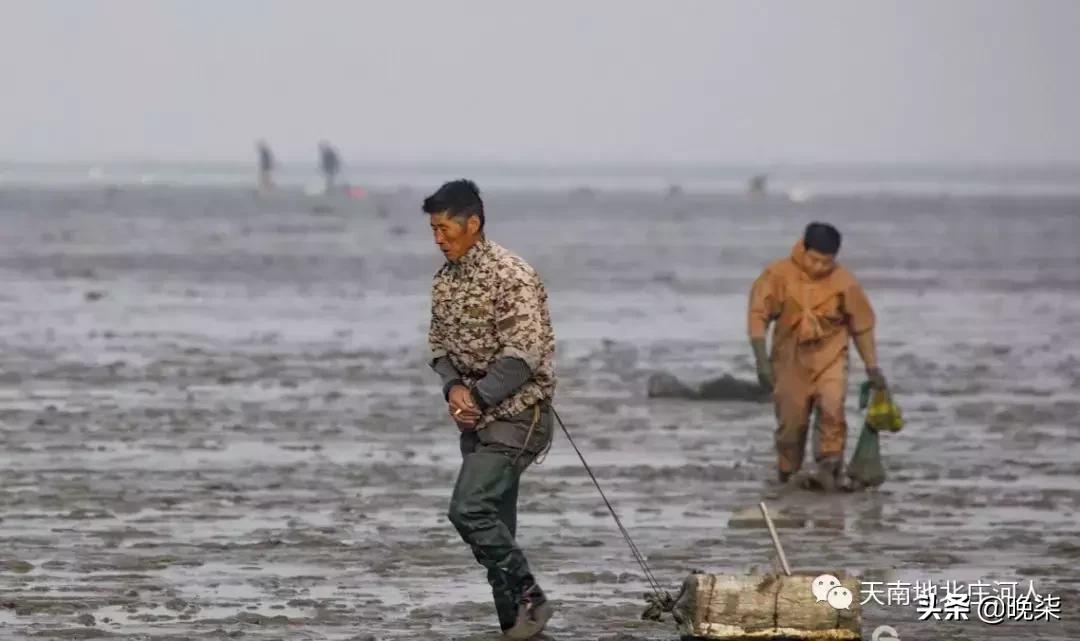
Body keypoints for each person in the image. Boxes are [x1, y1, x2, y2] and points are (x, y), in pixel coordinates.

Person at [424, 179, 557, 638]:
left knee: (469, 509)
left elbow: (524, 355)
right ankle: (518, 627)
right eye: (433, 230)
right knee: (496, 530)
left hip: (520, 417)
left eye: (445, 229)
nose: (439, 239)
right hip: (476, 421)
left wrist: (477, 399)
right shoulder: (445, 281)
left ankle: (530, 597)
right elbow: (438, 347)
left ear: (472, 223)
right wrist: (453, 388)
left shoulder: (511, 274)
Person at [747, 222, 886, 490]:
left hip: (830, 357)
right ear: (803, 249)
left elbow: (862, 326)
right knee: (791, 422)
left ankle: (829, 468)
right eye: (814, 260)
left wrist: (872, 367)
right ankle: (788, 473)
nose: (819, 267)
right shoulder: (778, 275)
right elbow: (757, 315)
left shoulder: (844, 282)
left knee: (833, 409)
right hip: (790, 359)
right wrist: (761, 360)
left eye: (827, 262)